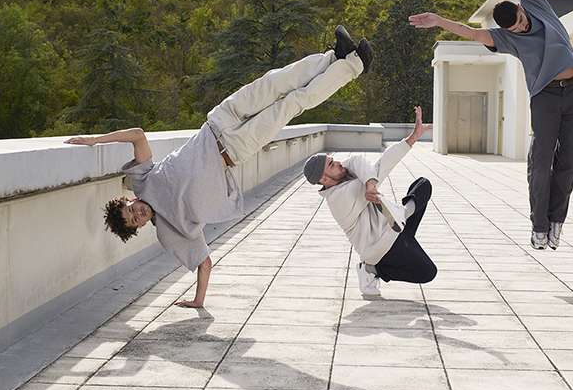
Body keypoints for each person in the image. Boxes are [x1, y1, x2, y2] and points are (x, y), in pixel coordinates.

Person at [66, 27, 374, 306]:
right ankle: (354, 66)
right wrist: (199, 301)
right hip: (236, 149)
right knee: (292, 102)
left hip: (218, 122)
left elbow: (137, 136)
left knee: (274, 81)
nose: (137, 214)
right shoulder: (171, 232)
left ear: (129, 200)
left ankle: (336, 56)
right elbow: (203, 262)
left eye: (130, 210)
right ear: (139, 228)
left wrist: (95, 140)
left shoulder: (142, 180)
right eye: (134, 221)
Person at [409, 0, 573, 250]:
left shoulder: (535, 4)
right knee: (541, 161)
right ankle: (539, 226)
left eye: (521, 22)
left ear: (521, 8)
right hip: (545, 97)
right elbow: (472, 33)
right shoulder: (505, 37)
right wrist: (439, 20)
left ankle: (556, 221)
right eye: (516, 29)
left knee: (567, 158)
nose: (522, 28)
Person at [303, 106, 437, 295]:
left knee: (423, 184)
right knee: (427, 272)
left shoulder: (346, 176)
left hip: (395, 227)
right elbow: (378, 166)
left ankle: (403, 213)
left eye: (334, 160)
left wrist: (369, 182)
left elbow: (358, 161)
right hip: (381, 248)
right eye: (332, 165)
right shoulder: (339, 198)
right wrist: (368, 182)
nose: (339, 163)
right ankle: (371, 270)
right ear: (323, 180)